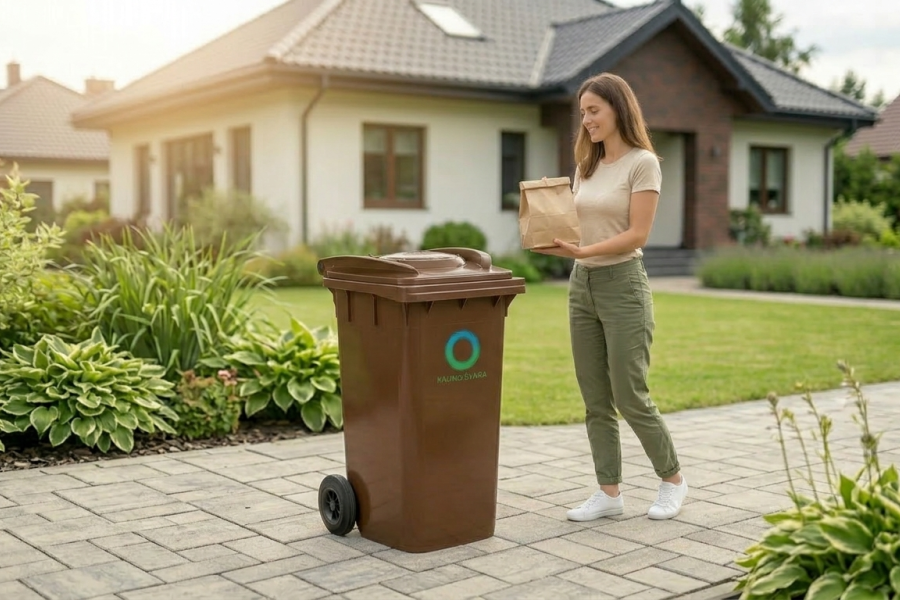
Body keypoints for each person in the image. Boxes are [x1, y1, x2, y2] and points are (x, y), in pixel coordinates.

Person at [534, 72, 687, 521]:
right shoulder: (587, 166)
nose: (586, 120)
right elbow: (576, 230)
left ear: (618, 108)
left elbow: (637, 233)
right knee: (595, 397)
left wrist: (582, 250)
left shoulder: (644, 163)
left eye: (594, 110)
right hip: (582, 286)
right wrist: (547, 227)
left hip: (623, 285)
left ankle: (673, 480)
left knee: (629, 393)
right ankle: (609, 493)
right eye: (583, 113)